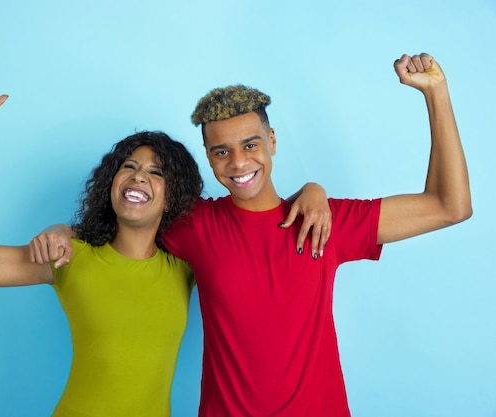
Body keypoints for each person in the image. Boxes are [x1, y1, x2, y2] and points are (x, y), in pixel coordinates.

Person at [34, 53, 472, 416]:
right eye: (221, 151)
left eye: (250, 145)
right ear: (208, 157)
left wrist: (436, 94)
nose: (239, 163)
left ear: (272, 140)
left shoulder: (324, 220)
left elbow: (449, 206)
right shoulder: (193, 224)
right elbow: (126, 215)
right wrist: (61, 231)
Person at [0, 81, 331, 416]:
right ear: (111, 182)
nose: (139, 178)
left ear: (173, 197)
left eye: (156, 173)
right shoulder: (68, 256)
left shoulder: (187, 266)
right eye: (130, 167)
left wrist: (312, 191)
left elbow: (255, 217)